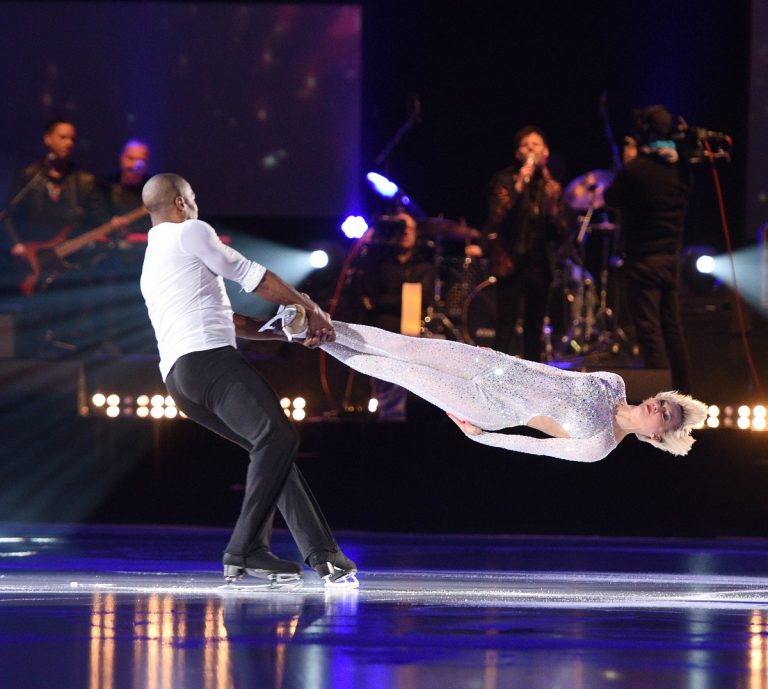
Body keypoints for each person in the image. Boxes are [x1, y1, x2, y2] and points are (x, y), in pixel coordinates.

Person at [139, 173, 357, 587]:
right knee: (278, 438)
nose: (197, 206)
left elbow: (233, 321)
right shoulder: (191, 232)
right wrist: (311, 306)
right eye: (194, 197)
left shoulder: (153, 262)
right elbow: (254, 276)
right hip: (208, 363)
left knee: (270, 451)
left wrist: (283, 330)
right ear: (181, 203)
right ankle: (247, 550)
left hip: (180, 381)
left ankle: (323, 554)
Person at [244, 312, 707, 461]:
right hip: (494, 364)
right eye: (663, 402)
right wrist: (499, 361)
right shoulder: (614, 381)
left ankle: (308, 337)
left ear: (656, 437)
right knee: (402, 347)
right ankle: (313, 320)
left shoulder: (599, 445)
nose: (656, 407)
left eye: (663, 416)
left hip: (489, 406)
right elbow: (553, 372)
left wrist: (484, 436)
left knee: (396, 372)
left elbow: (539, 449)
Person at [604, 105, 693, 393]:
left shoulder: (638, 169)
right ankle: (685, 392)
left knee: (649, 329)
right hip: (670, 258)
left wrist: (629, 162)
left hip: (643, 260)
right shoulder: (681, 169)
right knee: (672, 327)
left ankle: (663, 399)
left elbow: (612, 196)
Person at [483, 125, 566, 361]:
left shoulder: (551, 187)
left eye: (535, 144)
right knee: (505, 324)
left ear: (546, 152)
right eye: (525, 145)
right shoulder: (505, 179)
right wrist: (519, 183)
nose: (530, 148)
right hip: (509, 261)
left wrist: (552, 208)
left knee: (534, 328)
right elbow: (496, 216)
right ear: (518, 153)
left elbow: (561, 232)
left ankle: (533, 383)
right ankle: (495, 380)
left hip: (539, 263)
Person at [3, 118, 110, 296]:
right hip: (33, 258)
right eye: (63, 137)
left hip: (70, 262)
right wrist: (16, 244)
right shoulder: (30, 175)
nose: (68, 143)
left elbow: (97, 220)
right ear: (48, 138)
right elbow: (8, 214)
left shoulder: (84, 182)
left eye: (72, 139)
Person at [360, 210, 436, 420]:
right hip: (382, 327)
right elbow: (370, 292)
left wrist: (389, 299)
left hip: (409, 330)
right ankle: (389, 417)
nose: (404, 233)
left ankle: (396, 417)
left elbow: (424, 298)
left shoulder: (424, 267)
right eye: (399, 228)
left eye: (408, 228)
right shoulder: (378, 262)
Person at [103, 138, 152, 232]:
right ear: (121, 158)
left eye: (141, 161)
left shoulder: (154, 190)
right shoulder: (106, 187)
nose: (135, 166)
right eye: (131, 158)